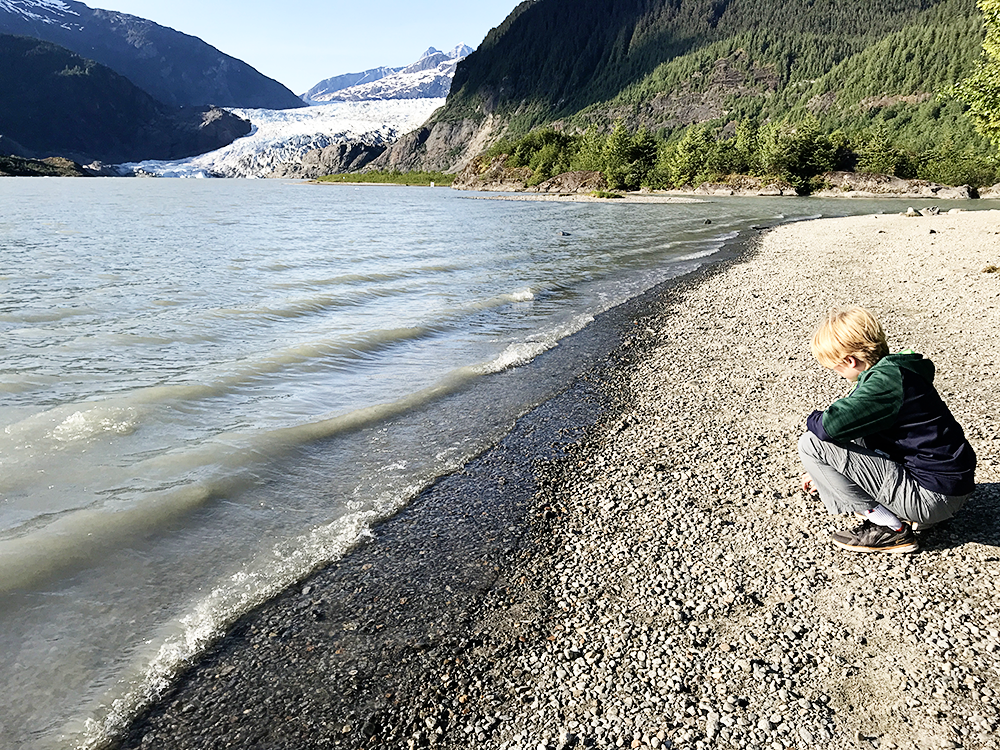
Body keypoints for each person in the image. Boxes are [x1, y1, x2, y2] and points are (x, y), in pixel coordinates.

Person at [798, 307, 976, 553]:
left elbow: (829, 427)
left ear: (850, 361)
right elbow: (859, 435)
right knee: (856, 430)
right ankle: (918, 515)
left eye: (835, 368)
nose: (837, 374)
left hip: (933, 498)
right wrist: (827, 474)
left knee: (811, 443)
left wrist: (812, 419)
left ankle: (889, 528)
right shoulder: (899, 371)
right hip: (951, 487)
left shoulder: (883, 386)